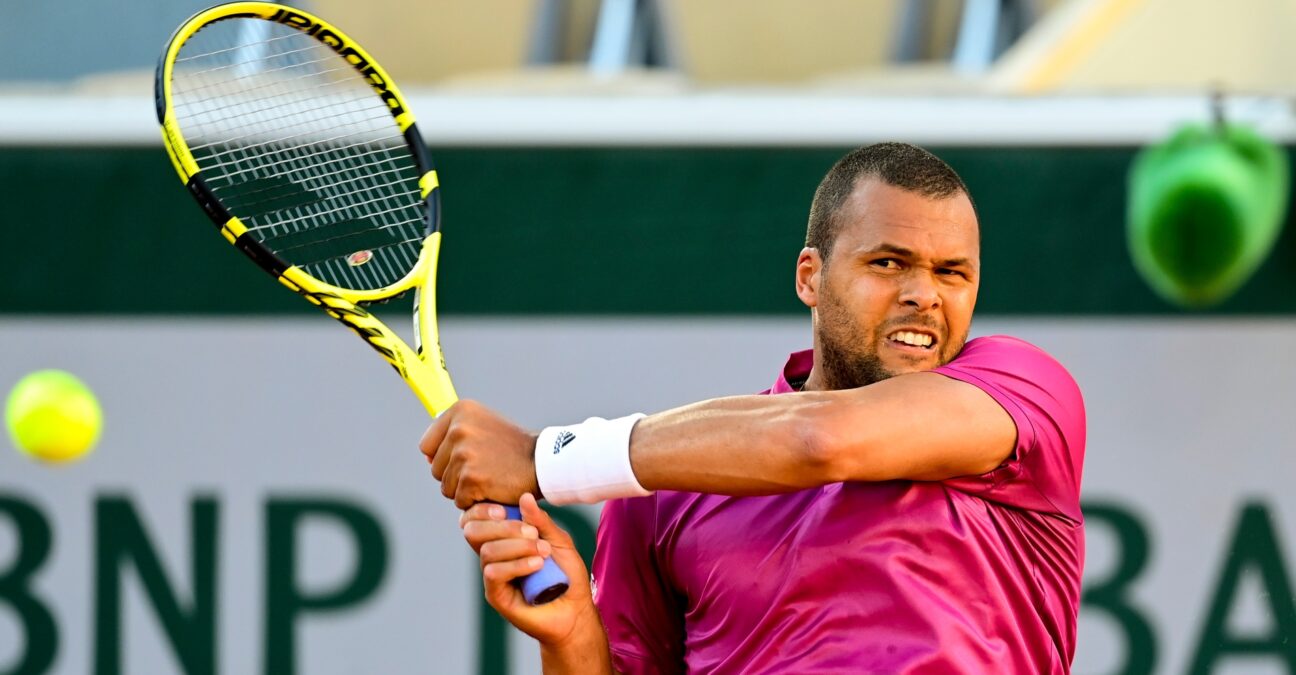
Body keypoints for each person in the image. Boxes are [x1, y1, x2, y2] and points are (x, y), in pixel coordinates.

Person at [421, 142, 1086, 673]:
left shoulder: (1025, 390)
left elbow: (817, 442)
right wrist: (569, 638)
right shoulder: (663, 483)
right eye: (889, 262)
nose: (924, 294)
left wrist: (544, 457)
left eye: (952, 272)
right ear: (810, 277)